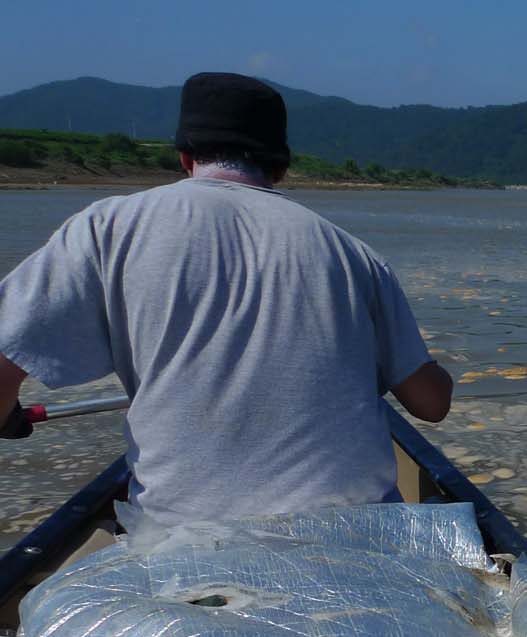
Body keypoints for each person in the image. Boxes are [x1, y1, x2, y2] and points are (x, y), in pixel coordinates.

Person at [0, 72, 452, 531]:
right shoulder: (355, 254)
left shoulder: (107, 228)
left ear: (184, 156)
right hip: (357, 531)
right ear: (280, 167)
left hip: (186, 541)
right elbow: (431, 405)